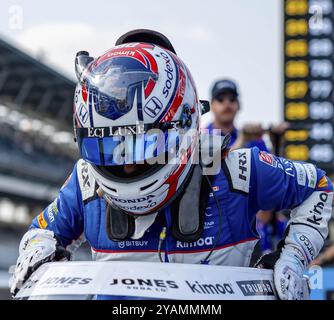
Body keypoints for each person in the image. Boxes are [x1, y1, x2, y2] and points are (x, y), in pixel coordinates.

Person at [10, 29, 333, 300]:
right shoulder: (85, 181)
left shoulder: (238, 171)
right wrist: (39, 248)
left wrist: (293, 255)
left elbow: (318, 186)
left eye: (144, 144)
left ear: (185, 127)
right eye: (109, 146)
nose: (127, 165)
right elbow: (42, 231)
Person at [201, 79, 269, 151]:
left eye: (232, 99)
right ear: (211, 106)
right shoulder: (201, 137)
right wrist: (242, 141)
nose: (227, 104)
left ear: (239, 105)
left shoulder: (253, 139)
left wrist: (277, 143)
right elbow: (213, 161)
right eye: (220, 99)